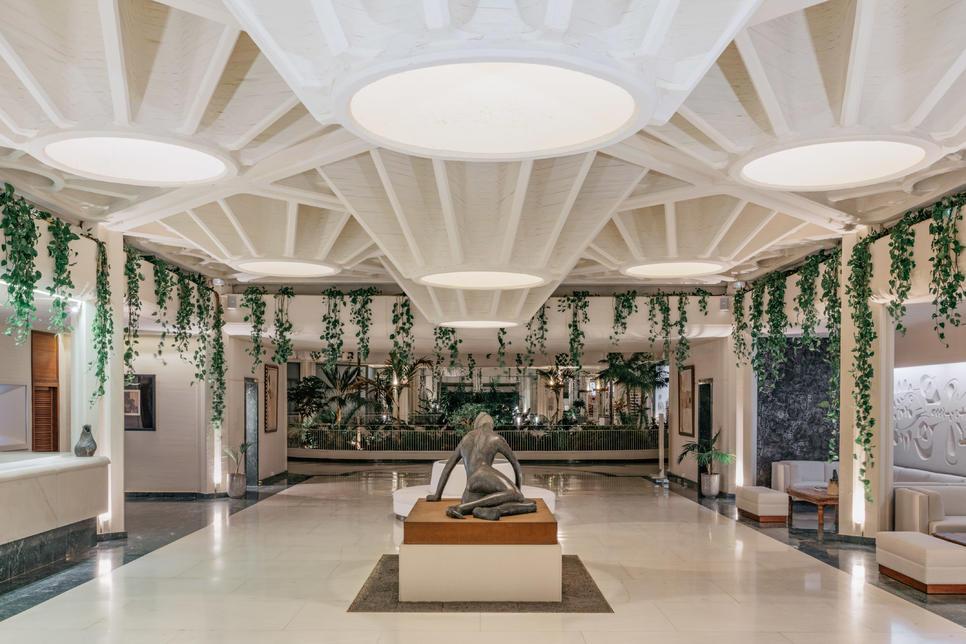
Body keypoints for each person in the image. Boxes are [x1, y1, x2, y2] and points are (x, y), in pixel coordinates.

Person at [426, 412, 537, 520]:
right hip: (482, 474)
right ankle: (461, 508)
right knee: (517, 495)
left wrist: (437, 495)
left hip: (469, 493)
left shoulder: (465, 439)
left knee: (531, 505)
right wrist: (517, 492)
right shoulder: (496, 438)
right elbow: (516, 465)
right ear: (491, 424)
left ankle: (485, 510)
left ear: (477, 424)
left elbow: (448, 468)